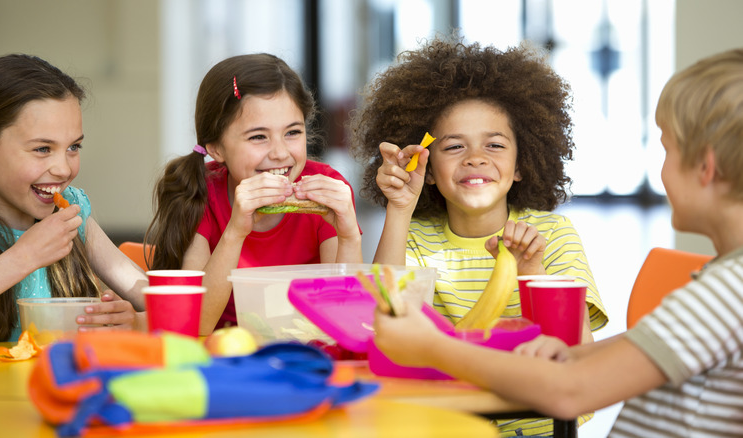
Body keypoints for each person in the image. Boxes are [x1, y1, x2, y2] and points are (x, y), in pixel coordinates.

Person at [374, 48, 743, 437]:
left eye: (667, 149)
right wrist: (575, 353)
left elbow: (571, 393)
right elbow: (629, 351)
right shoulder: (722, 281)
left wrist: (432, 347)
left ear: (706, 167)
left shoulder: (728, 291)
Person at [349, 36, 608, 436]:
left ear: (522, 163)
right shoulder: (413, 238)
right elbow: (385, 322)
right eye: (454, 146)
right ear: (429, 170)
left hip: (534, 423)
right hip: (443, 423)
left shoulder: (553, 235)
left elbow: (578, 353)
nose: (475, 157)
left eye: (494, 144)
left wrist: (531, 270)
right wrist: (399, 208)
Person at [146, 54, 362, 336]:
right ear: (216, 149)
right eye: (258, 137)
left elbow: (347, 320)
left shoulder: (327, 189)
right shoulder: (202, 194)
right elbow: (197, 325)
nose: (280, 153)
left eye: (292, 132)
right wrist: (235, 231)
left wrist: (349, 236)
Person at [0, 54, 148, 343]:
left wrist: (137, 321)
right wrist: (23, 257)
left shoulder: (73, 212)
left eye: (73, 146)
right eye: (42, 149)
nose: (64, 169)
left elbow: (154, 298)